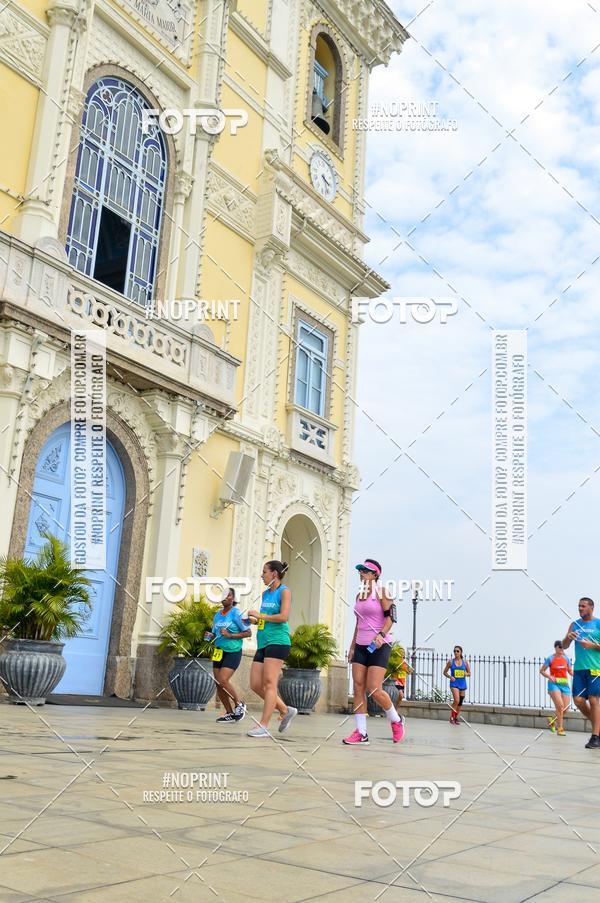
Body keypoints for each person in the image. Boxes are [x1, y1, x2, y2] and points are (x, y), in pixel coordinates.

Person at [344, 558, 404, 745]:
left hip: (379, 645)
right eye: (360, 570)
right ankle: (361, 732)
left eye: (365, 570)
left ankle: (396, 720)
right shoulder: (359, 595)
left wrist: (381, 635)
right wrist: (353, 646)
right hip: (361, 645)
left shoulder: (382, 592)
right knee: (358, 687)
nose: (361, 573)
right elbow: (358, 623)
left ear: (375, 574)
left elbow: (392, 618)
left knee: (374, 689)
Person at [246, 560, 298, 738]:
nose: (262, 575)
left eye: (264, 572)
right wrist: (252, 620)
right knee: (255, 684)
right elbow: (265, 619)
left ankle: (264, 725)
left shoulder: (285, 592)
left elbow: (283, 616)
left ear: (274, 574)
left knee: (269, 684)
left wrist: (261, 615)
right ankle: (285, 709)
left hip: (278, 642)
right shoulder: (265, 593)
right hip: (263, 642)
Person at [209, 589, 252, 723]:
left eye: (228, 595)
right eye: (223, 595)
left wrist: (231, 635)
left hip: (233, 651)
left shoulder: (236, 613)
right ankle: (229, 713)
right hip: (218, 651)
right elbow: (216, 633)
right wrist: (210, 636)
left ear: (233, 598)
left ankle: (239, 704)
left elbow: (248, 632)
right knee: (218, 683)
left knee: (223, 679)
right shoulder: (217, 615)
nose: (225, 598)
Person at [562, 597, 600, 749]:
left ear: (591, 607)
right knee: (578, 700)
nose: (580, 609)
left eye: (583, 606)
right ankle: (598, 726)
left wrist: (592, 645)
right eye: (579, 606)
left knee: (593, 700)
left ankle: (595, 737)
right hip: (579, 669)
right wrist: (568, 638)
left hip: (595, 668)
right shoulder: (574, 624)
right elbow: (564, 646)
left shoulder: (598, 624)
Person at [540, 640, 573, 736]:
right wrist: (549, 676)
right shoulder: (550, 659)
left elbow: (570, 670)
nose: (562, 649)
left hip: (565, 685)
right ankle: (560, 729)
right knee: (560, 706)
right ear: (556, 647)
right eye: (560, 647)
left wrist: (577, 675)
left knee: (565, 709)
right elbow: (542, 671)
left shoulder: (566, 659)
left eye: (563, 647)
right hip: (554, 685)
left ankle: (552, 721)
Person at [444, 645, 470, 724]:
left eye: (457, 651)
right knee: (456, 700)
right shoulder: (451, 662)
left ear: (461, 652)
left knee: (460, 702)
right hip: (454, 683)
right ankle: (451, 717)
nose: (456, 652)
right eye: (454, 651)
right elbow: (444, 672)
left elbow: (469, 673)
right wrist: (450, 677)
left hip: (462, 683)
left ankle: (455, 717)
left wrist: (466, 673)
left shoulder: (465, 662)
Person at [390, 645, 413, 717]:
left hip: (402, 682)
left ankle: (395, 710)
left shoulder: (405, 663)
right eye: (401, 652)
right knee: (400, 695)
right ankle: (393, 710)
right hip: (395, 681)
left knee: (400, 697)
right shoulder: (395, 662)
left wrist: (410, 671)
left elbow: (408, 672)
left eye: (403, 653)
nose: (402, 654)